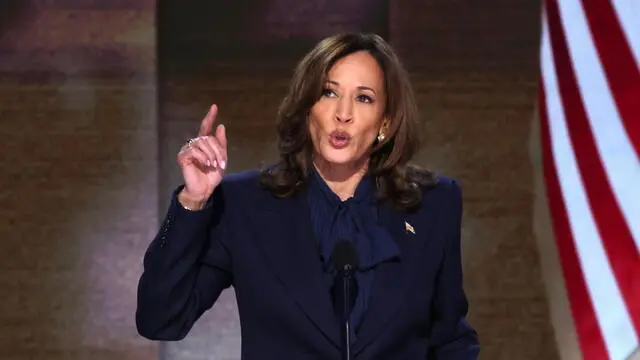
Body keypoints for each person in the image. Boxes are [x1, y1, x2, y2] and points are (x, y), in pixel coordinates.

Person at [136, 32, 480, 359]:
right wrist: (192, 202)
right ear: (306, 107)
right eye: (329, 93)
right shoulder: (245, 205)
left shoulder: (433, 204)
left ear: (385, 124)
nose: (342, 114)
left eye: (364, 98)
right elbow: (161, 318)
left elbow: (450, 339)